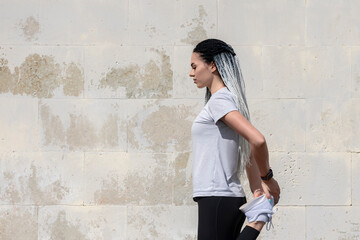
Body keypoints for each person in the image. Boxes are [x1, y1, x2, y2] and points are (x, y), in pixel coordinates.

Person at [189, 39, 280, 240]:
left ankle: (258, 218)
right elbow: (246, 147)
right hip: (220, 197)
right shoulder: (225, 100)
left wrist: (267, 179)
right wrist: (257, 189)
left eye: (194, 66)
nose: (191, 73)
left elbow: (258, 140)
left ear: (212, 65)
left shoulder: (219, 101)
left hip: (217, 197)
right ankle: (259, 216)